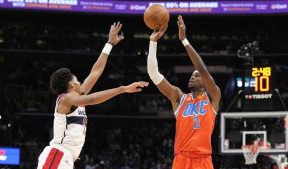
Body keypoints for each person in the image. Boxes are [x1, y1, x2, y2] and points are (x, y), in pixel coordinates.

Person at [37, 22, 149, 169]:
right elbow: (91, 99)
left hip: (67, 159)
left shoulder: (77, 96)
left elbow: (95, 72)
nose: (80, 82)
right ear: (70, 85)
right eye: (76, 79)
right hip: (58, 154)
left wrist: (109, 44)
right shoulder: (65, 98)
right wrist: (123, 89)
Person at [147, 15, 221, 169]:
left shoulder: (213, 97)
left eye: (196, 76)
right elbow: (154, 74)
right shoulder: (179, 97)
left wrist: (184, 40)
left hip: (203, 160)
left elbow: (202, 69)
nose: (192, 77)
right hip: (181, 159)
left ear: (206, 82)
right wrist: (153, 42)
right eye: (191, 75)